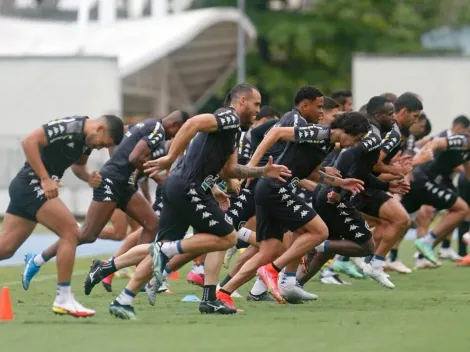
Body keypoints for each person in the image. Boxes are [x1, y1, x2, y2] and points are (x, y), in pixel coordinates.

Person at [90, 83, 291, 319]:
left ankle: (122, 294)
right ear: (242, 102)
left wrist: (260, 173)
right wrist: (170, 157)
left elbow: (230, 169)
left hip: (183, 187)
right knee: (226, 237)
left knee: (170, 247)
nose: (258, 110)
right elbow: (193, 123)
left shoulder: (234, 130)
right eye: (256, 104)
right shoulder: (229, 116)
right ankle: (206, 294)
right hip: (189, 187)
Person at [217, 110, 369, 308]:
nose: (356, 143)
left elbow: (314, 174)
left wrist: (341, 182)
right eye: (356, 138)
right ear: (345, 130)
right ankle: (273, 270)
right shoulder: (318, 133)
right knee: (320, 231)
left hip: (270, 190)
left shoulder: (327, 143)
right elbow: (275, 134)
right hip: (273, 189)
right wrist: (252, 169)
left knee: (268, 251)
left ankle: (223, 293)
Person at [22, 111, 188, 290]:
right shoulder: (158, 130)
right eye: (179, 134)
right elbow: (135, 157)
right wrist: (157, 176)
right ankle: (37, 259)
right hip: (111, 181)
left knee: (152, 224)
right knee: (87, 235)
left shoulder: (148, 123)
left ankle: (139, 276)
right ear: (175, 125)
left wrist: (121, 163)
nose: (175, 139)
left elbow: (123, 134)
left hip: (123, 183)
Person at [0, 115, 123, 317]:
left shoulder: (87, 142)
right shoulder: (70, 126)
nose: (101, 148)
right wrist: (45, 179)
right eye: (104, 144)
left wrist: (88, 178)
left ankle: (64, 299)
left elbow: (78, 166)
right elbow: (29, 141)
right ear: (100, 128)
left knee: (5, 249)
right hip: (30, 185)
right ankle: (63, 298)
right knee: (71, 232)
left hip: (29, 189)